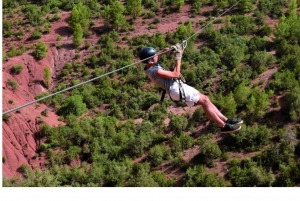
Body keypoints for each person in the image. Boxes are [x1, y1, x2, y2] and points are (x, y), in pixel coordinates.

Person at [138, 44, 243, 133]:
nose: (157, 56)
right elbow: (176, 73)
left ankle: (226, 120)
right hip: (175, 89)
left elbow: (155, 57)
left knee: (206, 99)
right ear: (151, 59)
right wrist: (178, 57)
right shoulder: (156, 71)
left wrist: (166, 51)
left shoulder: (149, 65)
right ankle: (223, 126)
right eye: (155, 55)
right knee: (204, 102)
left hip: (176, 87)